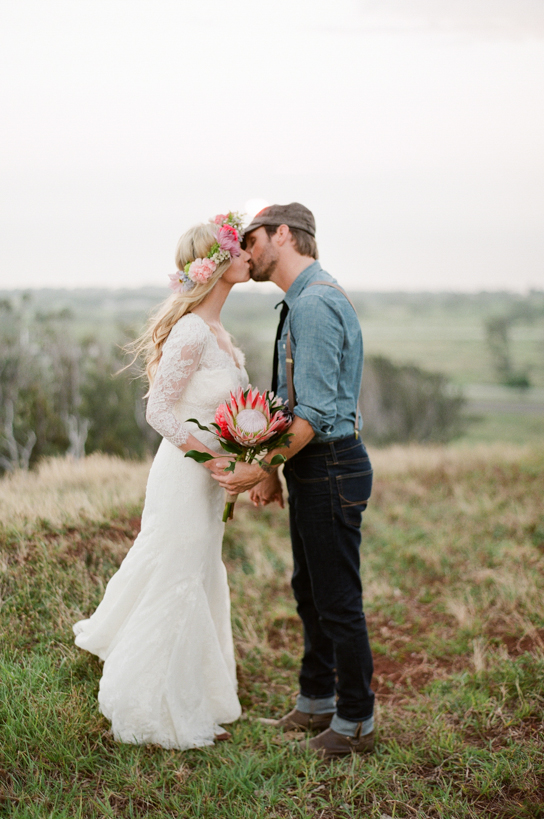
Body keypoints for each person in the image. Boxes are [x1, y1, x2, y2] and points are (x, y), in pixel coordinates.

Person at [73, 212, 251, 750]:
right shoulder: (193, 330)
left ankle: (194, 693)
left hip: (210, 479)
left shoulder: (219, 332)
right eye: (239, 249)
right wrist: (209, 458)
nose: (249, 255)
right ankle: (148, 706)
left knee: (198, 576)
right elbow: (160, 412)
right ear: (217, 264)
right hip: (184, 476)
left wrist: (246, 452)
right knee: (176, 576)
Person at [213, 203, 375, 759]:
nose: (247, 251)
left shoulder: (316, 303)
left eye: (253, 239)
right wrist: (278, 469)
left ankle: (355, 720)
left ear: (284, 234)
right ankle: (315, 702)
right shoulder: (301, 301)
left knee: (337, 600)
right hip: (314, 465)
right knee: (310, 592)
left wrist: (260, 465)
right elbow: (293, 403)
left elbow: (316, 414)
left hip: (332, 464)